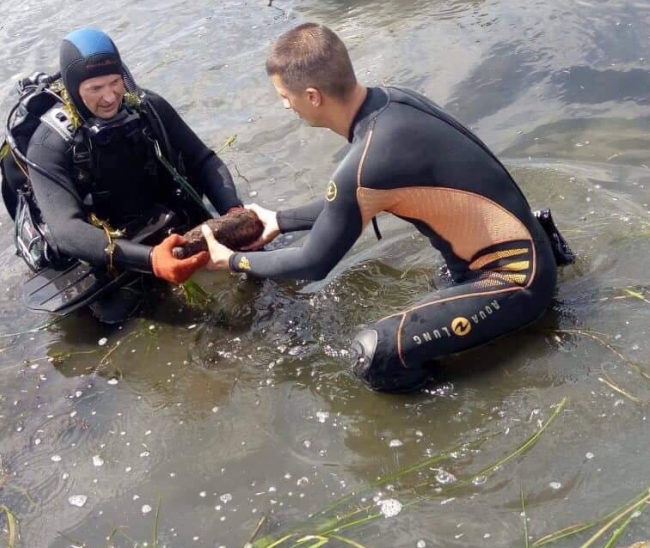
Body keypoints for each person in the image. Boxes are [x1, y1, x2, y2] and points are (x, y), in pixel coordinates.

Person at [203, 23, 570, 392]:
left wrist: (230, 260)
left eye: (285, 96)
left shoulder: (367, 163)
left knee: (373, 355)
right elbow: (349, 203)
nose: (285, 105)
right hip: (525, 253)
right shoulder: (392, 102)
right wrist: (279, 221)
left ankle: (462, 409)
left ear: (313, 96)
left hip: (516, 279)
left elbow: (313, 264)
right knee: (430, 299)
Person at [0, 27, 242, 323]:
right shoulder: (48, 145)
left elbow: (203, 160)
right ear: (74, 87)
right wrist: (152, 260)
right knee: (116, 317)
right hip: (103, 248)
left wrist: (234, 211)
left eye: (115, 83)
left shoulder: (147, 107)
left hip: (158, 220)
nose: (109, 97)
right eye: (95, 88)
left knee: (247, 255)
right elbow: (66, 230)